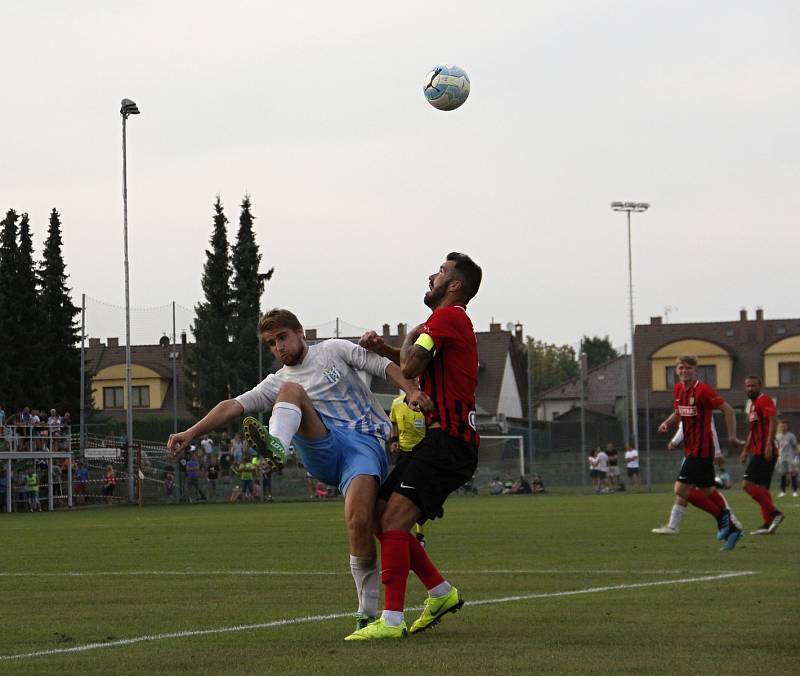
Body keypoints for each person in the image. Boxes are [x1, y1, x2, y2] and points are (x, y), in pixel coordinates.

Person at [167, 308, 424, 631]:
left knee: (364, 521)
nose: (278, 348)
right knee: (290, 391)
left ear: (300, 332)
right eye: (271, 343)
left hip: (364, 444)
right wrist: (191, 432)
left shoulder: (333, 350)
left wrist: (411, 390)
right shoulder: (280, 380)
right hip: (324, 448)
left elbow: (383, 365)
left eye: (282, 338)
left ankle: (368, 612)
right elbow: (233, 405)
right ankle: (277, 443)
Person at [347, 252, 482, 641]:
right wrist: (387, 349)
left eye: (440, 272)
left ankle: (391, 620)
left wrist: (404, 341)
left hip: (450, 441)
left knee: (392, 521)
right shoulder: (447, 323)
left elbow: (409, 368)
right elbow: (414, 364)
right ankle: (440, 593)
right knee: (378, 514)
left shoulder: (445, 317)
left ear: (454, 285)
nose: (432, 276)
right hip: (441, 440)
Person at [657, 354, 745, 550]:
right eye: (681, 368)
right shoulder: (679, 389)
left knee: (680, 489)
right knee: (708, 490)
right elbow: (679, 412)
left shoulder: (703, 390)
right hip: (692, 449)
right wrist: (667, 422)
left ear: (695, 370)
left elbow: (728, 410)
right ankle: (733, 529)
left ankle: (722, 518)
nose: (684, 371)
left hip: (702, 449)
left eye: (688, 368)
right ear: (676, 370)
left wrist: (732, 437)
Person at [652, 420, 741, 535]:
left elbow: (713, 423)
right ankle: (673, 526)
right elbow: (684, 424)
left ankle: (730, 520)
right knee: (688, 490)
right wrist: (671, 432)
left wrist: (717, 452)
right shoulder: (683, 404)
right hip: (691, 453)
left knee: (687, 489)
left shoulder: (700, 403)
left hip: (699, 453)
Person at [740, 376, 784, 535]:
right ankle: (768, 524)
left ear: (760, 386)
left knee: (747, 485)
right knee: (762, 488)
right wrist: (745, 450)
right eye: (747, 386)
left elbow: (773, 421)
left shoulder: (764, 399)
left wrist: (768, 445)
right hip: (757, 450)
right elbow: (752, 431)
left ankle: (774, 513)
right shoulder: (752, 406)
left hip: (765, 450)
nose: (750, 388)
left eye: (753, 385)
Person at [389, 393, 429, 546]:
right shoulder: (396, 403)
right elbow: (393, 422)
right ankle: (401, 531)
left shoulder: (426, 403)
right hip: (404, 454)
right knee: (399, 492)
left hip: (422, 453)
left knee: (418, 493)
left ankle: (420, 535)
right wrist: (394, 440)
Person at [775, 421, 798, 498]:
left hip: (790, 457)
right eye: (782, 426)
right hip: (782, 458)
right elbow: (777, 448)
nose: (783, 427)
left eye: (785, 426)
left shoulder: (791, 436)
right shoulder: (778, 436)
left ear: (787, 427)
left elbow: (795, 447)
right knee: (783, 474)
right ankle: (783, 491)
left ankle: (794, 491)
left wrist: (796, 457)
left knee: (793, 473)